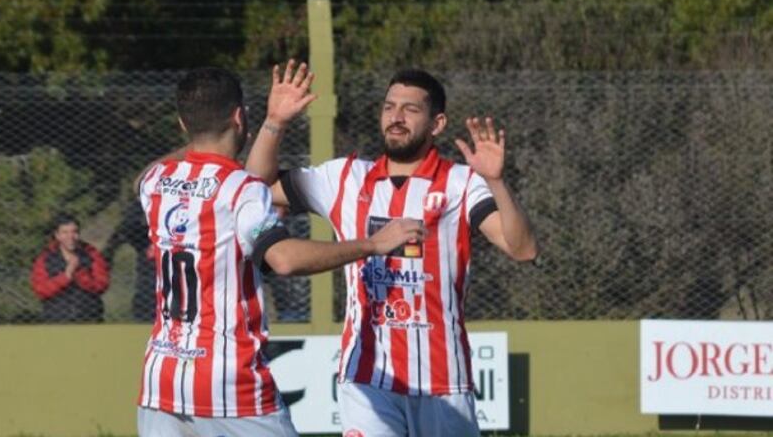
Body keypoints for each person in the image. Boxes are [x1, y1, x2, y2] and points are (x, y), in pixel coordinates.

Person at [246, 62, 538, 437]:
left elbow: (523, 248)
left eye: (410, 109)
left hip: (443, 382)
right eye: (389, 107)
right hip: (367, 379)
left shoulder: (461, 183)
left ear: (437, 124)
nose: (396, 118)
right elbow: (253, 190)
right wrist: (275, 122)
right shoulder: (345, 179)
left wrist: (496, 182)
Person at [135, 66, 424, 437]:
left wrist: (220, 126)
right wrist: (373, 243)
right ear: (240, 117)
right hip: (229, 383)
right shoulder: (239, 189)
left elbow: (147, 176)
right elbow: (283, 259)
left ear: (182, 124)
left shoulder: (157, 183)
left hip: (162, 381)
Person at [30, 213, 111, 323]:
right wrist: (65, 276)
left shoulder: (92, 254)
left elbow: (102, 284)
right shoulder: (45, 258)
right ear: (57, 235)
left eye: (74, 232)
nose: (71, 237)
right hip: (56, 320)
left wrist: (79, 274)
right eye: (65, 232)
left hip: (90, 318)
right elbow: (40, 290)